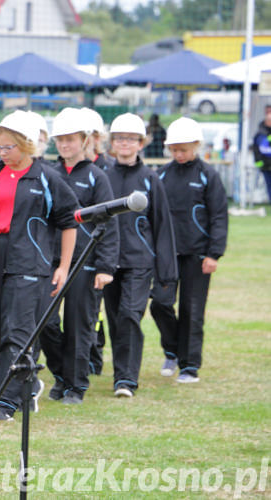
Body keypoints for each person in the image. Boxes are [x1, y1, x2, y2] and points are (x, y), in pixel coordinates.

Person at [0, 111, 79, 421]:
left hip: (30, 262)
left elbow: (69, 222)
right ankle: (29, 382)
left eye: (7, 147)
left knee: (18, 332)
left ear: (26, 145)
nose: (1, 153)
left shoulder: (48, 177)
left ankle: (4, 403)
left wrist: (63, 266)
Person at [39, 108, 118, 406]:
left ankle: (76, 385)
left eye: (71, 140)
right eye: (60, 140)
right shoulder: (48, 174)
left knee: (79, 324)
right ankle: (60, 373)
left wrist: (106, 266)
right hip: (49, 260)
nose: (64, 145)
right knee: (44, 321)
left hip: (86, 261)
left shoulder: (97, 177)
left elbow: (109, 223)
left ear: (85, 140)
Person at [102, 113, 177, 398]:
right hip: (108, 263)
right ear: (112, 142)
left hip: (139, 262)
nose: (124, 143)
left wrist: (166, 274)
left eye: (130, 139)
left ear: (141, 143)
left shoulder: (150, 179)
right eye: (120, 138)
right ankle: (120, 371)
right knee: (114, 319)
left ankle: (126, 380)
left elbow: (162, 227)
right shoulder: (104, 176)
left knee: (130, 316)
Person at [150, 117, 228, 384]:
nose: (178, 154)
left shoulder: (209, 176)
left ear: (196, 145)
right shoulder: (160, 176)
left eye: (183, 149)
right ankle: (172, 349)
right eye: (174, 150)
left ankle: (189, 366)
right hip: (166, 255)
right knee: (160, 304)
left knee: (192, 310)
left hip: (198, 255)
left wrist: (214, 253)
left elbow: (219, 216)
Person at [80, 107, 114, 376]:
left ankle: (95, 351)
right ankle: (89, 353)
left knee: (96, 310)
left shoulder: (107, 169)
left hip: (105, 246)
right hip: (85, 248)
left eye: (93, 134)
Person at [252, 104, 271, 203]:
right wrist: (259, 162)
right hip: (265, 164)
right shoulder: (261, 133)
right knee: (269, 184)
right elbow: (260, 149)